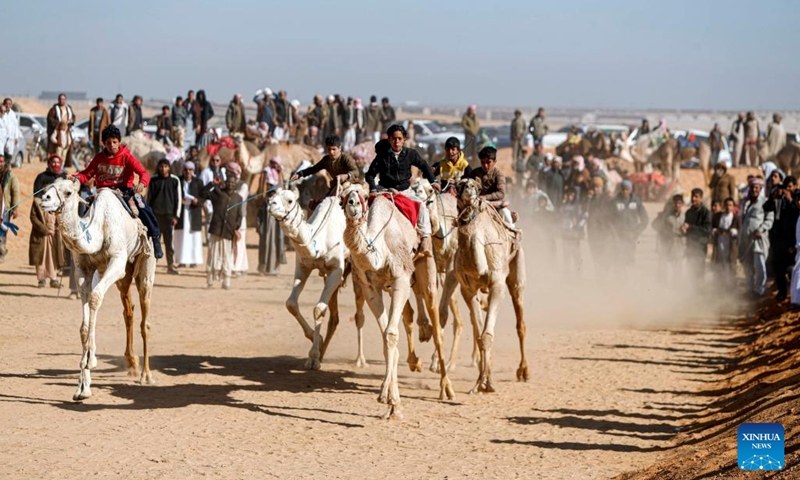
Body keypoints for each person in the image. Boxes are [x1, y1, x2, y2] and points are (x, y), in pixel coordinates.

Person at [68, 125, 162, 259]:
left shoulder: (127, 157)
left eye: (114, 142)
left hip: (125, 192)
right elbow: (86, 175)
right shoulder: (99, 158)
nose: (112, 145)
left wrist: (142, 183)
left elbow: (143, 173)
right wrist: (75, 177)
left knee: (143, 207)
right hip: (103, 192)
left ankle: (155, 237)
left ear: (119, 141)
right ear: (104, 144)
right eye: (108, 143)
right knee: (86, 213)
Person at [365, 124, 440, 257]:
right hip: (385, 191)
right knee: (368, 210)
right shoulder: (382, 156)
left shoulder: (411, 154)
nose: (397, 142)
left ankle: (425, 240)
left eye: (399, 138)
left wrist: (433, 181)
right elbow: (370, 174)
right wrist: (373, 188)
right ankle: (365, 239)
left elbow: (424, 165)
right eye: (394, 138)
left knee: (422, 206)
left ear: (404, 139)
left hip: (405, 192)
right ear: (389, 140)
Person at [200, 162, 243, 289]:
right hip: (216, 230)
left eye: (233, 183)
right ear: (225, 182)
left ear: (236, 185)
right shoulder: (217, 193)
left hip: (228, 232)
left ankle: (226, 282)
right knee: (213, 256)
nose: (230, 184)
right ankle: (210, 281)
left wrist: (236, 226)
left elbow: (239, 216)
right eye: (228, 182)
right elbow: (202, 193)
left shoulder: (238, 198)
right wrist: (212, 184)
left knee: (227, 257)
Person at [30, 155, 68, 288]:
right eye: (53, 161)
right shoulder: (41, 177)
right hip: (43, 226)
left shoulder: (63, 177)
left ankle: (54, 278)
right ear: (49, 163)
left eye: (58, 162)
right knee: (40, 254)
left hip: (56, 223)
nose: (56, 164)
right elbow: (37, 198)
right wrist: (44, 229)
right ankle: (41, 279)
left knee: (55, 254)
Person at [291, 135, 360, 200]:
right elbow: (313, 169)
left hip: (351, 185)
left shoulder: (346, 158)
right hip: (336, 187)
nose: (331, 152)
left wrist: (347, 176)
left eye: (334, 149)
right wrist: (299, 174)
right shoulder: (326, 160)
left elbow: (356, 172)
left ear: (340, 148)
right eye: (329, 149)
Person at [739, 177, 774, 298]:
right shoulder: (746, 203)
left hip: (758, 240)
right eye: (752, 187)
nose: (754, 189)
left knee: (759, 266)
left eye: (757, 187)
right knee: (748, 267)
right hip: (746, 240)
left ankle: (760, 291)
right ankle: (749, 290)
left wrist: (761, 229)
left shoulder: (766, 202)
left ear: (760, 189)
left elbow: (770, 219)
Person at [147, 159, 183, 274]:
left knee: (168, 242)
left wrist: (176, 216)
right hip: (155, 217)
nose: (163, 169)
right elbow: (148, 199)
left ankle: (170, 265)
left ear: (169, 167)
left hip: (168, 217)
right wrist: (148, 216)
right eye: (161, 166)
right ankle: (151, 265)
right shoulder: (153, 180)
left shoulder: (174, 180)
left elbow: (178, 199)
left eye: (166, 166)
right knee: (154, 242)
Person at [468, 146, 517, 229]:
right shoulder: (474, 173)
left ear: (495, 161)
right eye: (482, 162)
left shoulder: (498, 174)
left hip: (495, 205)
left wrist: (485, 197)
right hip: (476, 205)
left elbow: (501, 193)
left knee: (507, 217)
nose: (485, 165)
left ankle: (513, 238)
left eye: (488, 162)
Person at [609, 179, 649, 271]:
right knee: (618, 259)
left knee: (629, 258)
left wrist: (637, 231)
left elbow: (645, 219)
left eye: (627, 189)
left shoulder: (636, 201)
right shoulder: (615, 202)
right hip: (618, 236)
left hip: (631, 236)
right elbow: (609, 219)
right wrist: (614, 233)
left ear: (630, 190)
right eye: (623, 189)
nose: (625, 191)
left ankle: (630, 280)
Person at [769, 176, 798, 300]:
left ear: (795, 186)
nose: (788, 189)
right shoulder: (780, 200)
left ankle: (795, 294)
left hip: (791, 240)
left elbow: (796, 215)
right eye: (786, 187)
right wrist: (774, 199)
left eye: (790, 187)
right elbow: (768, 210)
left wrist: (791, 200)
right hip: (779, 240)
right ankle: (782, 292)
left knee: (792, 269)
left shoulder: (796, 199)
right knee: (778, 267)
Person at [257, 157, 285, 275]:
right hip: (267, 211)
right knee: (266, 241)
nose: (274, 166)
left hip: (278, 212)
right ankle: (264, 267)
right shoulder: (266, 172)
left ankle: (275, 268)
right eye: (273, 163)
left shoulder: (280, 174)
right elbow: (262, 191)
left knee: (277, 241)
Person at [174, 161, 204, 268]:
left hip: (193, 212)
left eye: (190, 169)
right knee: (181, 237)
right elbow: (174, 195)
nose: (188, 172)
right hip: (181, 213)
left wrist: (197, 201)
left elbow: (203, 197)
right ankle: (182, 260)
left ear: (193, 171)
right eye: (186, 169)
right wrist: (179, 201)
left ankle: (193, 260)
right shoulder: (178, 181)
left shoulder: (198, 182)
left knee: (193, 237)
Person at [651, 194, 685, 284]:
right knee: (663, 267)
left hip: (679, 244)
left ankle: (676, 286)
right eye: (675, 203)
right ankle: (662, 286)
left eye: (679, 203)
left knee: (677, 268)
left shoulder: (685, 217)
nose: (677, 205)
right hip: (667, 244)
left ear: (682, 204)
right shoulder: (666, 215)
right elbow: (654, 225)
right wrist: (664, 231)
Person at [682, 188, 712, 281]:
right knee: (690, 271)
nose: (694, 199)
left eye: (696, 197)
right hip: (690, 246)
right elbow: (686, 228)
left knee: (699, 272)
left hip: (700, 247)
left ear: (701, 198)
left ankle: (700, 292)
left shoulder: (706, 213)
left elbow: (707, 229)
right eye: (692, 196)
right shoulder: (689, 212)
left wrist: (690, 227)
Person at [712, 197, 739, 286]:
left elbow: (739, 231)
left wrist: (732, 231)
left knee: (731, 265)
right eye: (727, 205)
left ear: (734, 207)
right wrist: (716, 231)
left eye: (730, 205)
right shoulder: (718, 216)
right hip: (720, 243)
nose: (728, 207)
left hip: (730, 245)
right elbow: (712, 228)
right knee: (720, 265)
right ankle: (720, 286)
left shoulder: (736, 218)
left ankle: (731, 287)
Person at [199, 154, 227, 241]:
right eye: (213, 160)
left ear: (220, 162)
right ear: (210, 161)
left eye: (217, 160)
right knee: (210, 218)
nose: (215, 162)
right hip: (210, 199)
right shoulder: (205, 172)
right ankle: (208, 238)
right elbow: (202, 186)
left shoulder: (224, 171)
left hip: (221, 199)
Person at [561, 186, 586, 273]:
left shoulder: (578, 206)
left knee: (576, 254)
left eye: (572, 194)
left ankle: (578, 273)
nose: (570, 196)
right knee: (566, 254)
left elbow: (583, 218)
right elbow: (560, 217)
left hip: (574, 233)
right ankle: (567, 273)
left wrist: (578, 227)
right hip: (565, 231)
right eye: (568, 194)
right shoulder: (564, 205)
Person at [46, 93, 76, 166]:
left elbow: (73, 117)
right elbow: (50, 118)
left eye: (63, 99)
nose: (62, 100)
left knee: (66, 153)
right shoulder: (54, 108)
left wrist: (70, 121)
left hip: (67, 132)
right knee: (57, 154)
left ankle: (63, 167)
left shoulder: (68, 108)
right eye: (60, 99)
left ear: (65, 100)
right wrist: (59, 124)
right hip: (58, 134)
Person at [232, 164, 249, 277]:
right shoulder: (228, 184)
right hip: (230, 218)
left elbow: (238, 198)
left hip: (240, 218)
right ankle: (236, 266)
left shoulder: (243, 186)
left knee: (240, 243)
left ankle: (238, 268)